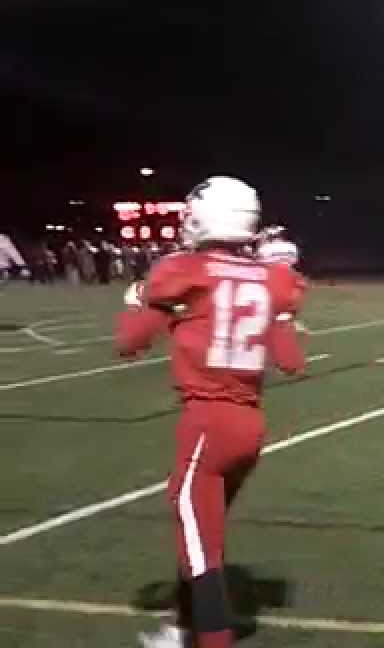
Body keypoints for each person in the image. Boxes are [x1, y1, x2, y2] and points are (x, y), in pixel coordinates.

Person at [118, 176, 307, 648]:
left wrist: (137, 303)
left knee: (199, 545)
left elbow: (129, 343)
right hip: (250, 424)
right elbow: (290, 360)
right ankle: (184, 628)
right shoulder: (272, 277)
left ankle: (211, 639)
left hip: (207, 421)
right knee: (204, 534)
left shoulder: (185, 270)